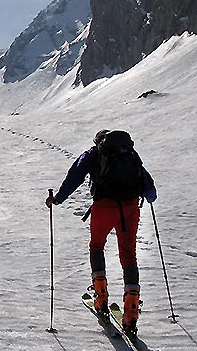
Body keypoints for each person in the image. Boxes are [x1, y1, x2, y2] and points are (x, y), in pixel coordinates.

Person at [45, 129, 157, 334]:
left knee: (96, 246)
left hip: (104, 208)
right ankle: (131, 311)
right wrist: (148, 197)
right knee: (129, 256)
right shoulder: (129, 154)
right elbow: (149, 188)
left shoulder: (94, 154)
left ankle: (101, 296)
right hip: (130, 209)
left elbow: (75, 174)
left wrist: (59, 198)